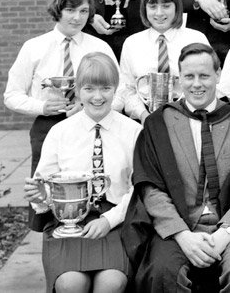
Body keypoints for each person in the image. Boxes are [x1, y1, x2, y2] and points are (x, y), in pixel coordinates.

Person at [122, 43, 230, 293]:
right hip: (179, 229)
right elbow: (150, 189)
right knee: (163, 272)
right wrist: (182, 234)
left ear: (218, 74)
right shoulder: (158, 124)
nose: (196, 84)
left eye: (204, 76)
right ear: (179, 79)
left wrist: (226, 232)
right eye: (189, 76)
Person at [23, 52, 142, 293]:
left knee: (111, 283)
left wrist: (109, 221)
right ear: (77, 90)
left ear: (116, 89)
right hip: (67, 221)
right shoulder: (59, 132)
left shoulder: (134, 132)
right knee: (71, 284)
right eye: (89, 89)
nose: (98, 97)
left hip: (117, 219)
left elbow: (140, 188)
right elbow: (46, 186)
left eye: (106, 88)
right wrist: (40, 196)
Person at [4, 0, 118, 178]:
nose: (77, 18)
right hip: (47, 125)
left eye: (83, 11)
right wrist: (41, 106)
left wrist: (87, 106)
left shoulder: (100, 47)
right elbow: (12, 95)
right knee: (43, 185)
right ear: (58, 9)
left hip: (90, 124)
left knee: (88, 184)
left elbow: (121, 91)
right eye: (70, 10)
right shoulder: (34, 47)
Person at [115, 0, 210, 124]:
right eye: (152, 6)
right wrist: (143, 115)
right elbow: (128, 89)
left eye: (166, 6)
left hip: (191, 117)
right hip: (145, 119)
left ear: (177, 7)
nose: (159, 13)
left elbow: (209, 83)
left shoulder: (196, 39)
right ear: (144, 7)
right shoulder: (132, 43)